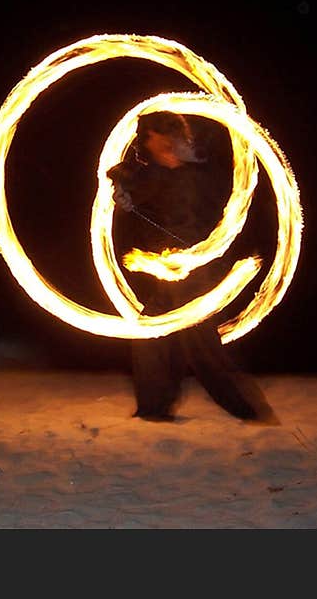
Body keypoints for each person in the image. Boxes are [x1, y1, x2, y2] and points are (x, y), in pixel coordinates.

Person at [107, 111, 278, 424]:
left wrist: (128, 184)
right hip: (171, 271)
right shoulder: (158, 171)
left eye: (172, 143)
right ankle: (154, 408)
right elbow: (137, 181)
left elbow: (208, 188)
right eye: (160, 146)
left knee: (198, 342)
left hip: (196, 270)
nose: (167, 151)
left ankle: (246, 410)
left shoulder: (197, 172)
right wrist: (123, 188)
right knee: (153, 335)